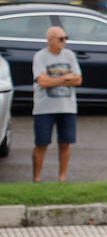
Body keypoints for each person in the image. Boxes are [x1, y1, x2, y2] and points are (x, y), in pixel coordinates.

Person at [31, 26, 82, 183]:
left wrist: (54, 80)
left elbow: (78, 80)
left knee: (65, 143)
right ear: (50, 40)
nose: (64, 41)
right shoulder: (40, 56)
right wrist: (65, 78)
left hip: (67, 107)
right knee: (42, 143)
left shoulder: (69, 55)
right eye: (60, 38)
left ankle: (62, 178)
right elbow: (42, 82)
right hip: (44, 108)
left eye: (65, 38)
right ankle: (36, 178)